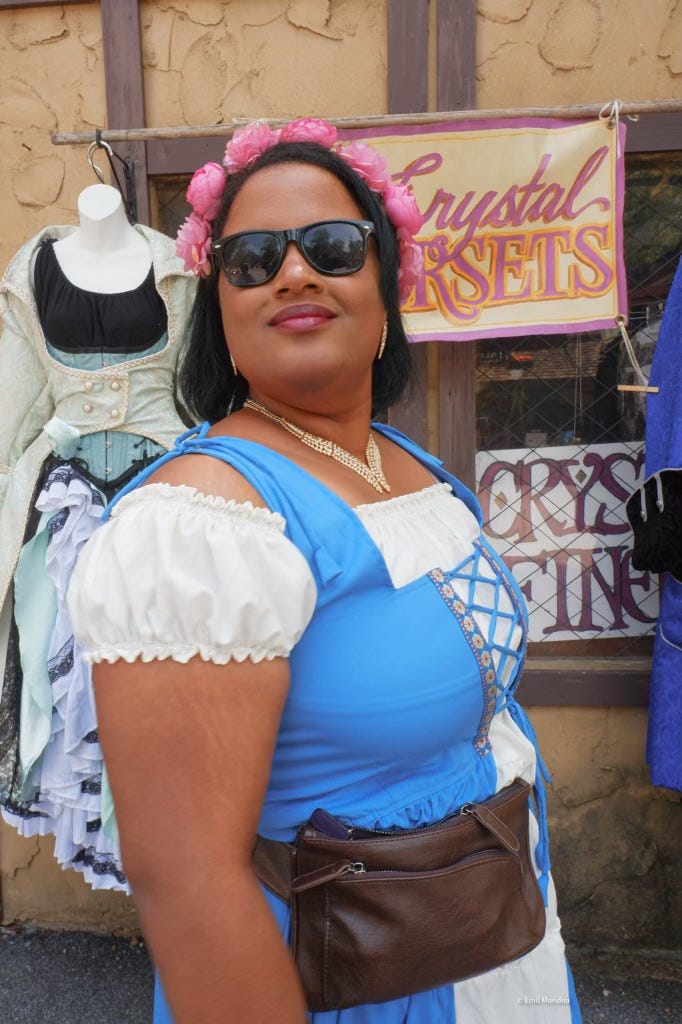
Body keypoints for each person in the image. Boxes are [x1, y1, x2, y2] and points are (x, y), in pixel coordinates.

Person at [67, 119, 581, 1023]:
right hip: (354, 988)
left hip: (487, 937)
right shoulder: (200, 524)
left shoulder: (398, 459)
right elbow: (188, 883)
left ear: (386, 288)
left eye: (334, 247)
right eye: (253, 258)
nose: (295, 272)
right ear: (218, 311)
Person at [0, 181, 196, 889]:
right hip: (64, 513)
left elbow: (204, 389)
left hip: (166, 501)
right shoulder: (30, 278)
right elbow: (13, 405)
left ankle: (174, 847)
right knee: (73, 678)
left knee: (163, 670)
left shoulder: (178, 271)